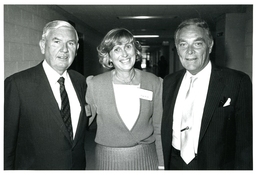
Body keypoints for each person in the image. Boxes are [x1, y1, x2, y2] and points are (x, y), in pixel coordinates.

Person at [161, 18, 252, 170]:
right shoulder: (169, 82)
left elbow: (246, 143)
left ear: (209, 46)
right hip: (175, 164)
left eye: (197, 44)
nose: (189, 51)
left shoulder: (237, 82)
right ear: (177, 49)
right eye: (183, 44)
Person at [4, 20, 88, 170]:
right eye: (57, 42)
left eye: (70, 43)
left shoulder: (80, 81)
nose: (64, 50)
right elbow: (5, 144)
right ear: (43, 45)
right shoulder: (17, 84)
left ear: (77, 48)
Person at [86, 28, 164, 170]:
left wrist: (162, 164)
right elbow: (81, 124)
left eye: (128, 46)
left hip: (147, 160)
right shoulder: (95, 84)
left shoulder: (154, 82)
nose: (124, 54)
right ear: (108, 56)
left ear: (135, 51)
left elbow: (159, 127)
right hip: (108, 162)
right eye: (116, 49)